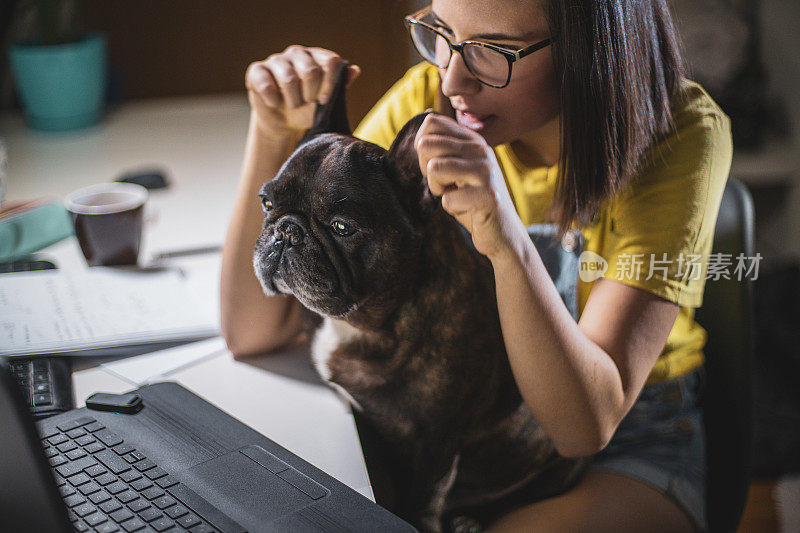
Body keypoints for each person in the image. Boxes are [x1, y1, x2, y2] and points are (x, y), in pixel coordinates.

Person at [220, 0, 732, 530]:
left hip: (625, 440)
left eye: (494, 50)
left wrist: (506, 240)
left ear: (592, 50)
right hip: (451, 431)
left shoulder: (674, 133)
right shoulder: (430, 103)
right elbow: (254, 331)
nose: (452, 76)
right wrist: (272, 130)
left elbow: (583, 427)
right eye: (442, 31)